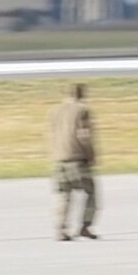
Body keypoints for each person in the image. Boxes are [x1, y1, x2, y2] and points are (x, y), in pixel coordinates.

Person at [50, 82, 100, 241]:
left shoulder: (55, 111)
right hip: (77, 159)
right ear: (82, 94)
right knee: (91, 192)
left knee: (64, 194)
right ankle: (85, 226)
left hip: (59, 159)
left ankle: (61, 229)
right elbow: (84, 134)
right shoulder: (82, 110)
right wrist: (91, 155)